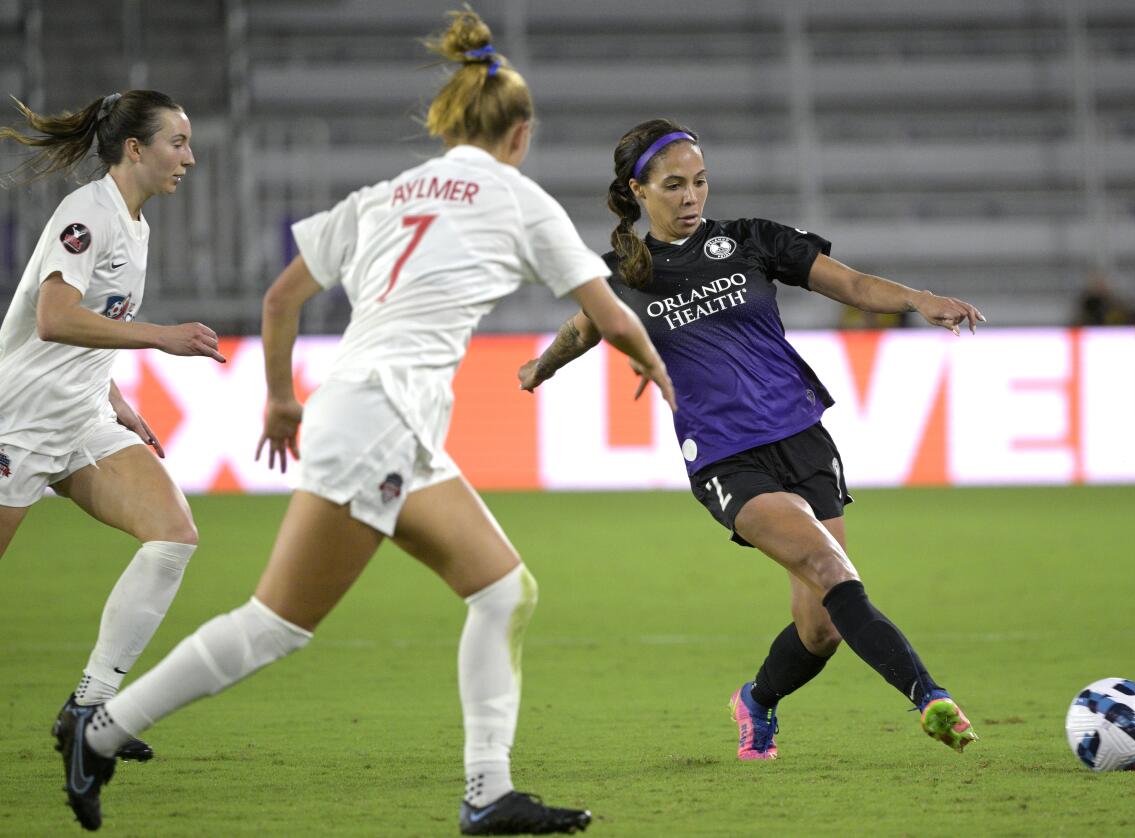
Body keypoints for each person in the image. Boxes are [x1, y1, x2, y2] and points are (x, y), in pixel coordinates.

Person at [55, 11, 674, 835]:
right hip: (381, 416)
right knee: (276, 624)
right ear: (520, 134)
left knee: (501, 590)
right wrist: (662, 373)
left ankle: (488, 792)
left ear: (450, 120)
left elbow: (281, 298)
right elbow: (613, 316)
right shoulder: (521, 202)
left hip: (382, 416)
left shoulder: (388, 194)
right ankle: (101, 731)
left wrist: (280, 397)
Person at [518, 118, 983, 762]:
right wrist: (540, 367)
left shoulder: (752, 241)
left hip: (803, 439)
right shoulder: (623, 275)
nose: (692, 197)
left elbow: (849, 285)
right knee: (831, 570)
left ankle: (757, 701)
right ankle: (929, 696)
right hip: (725, 457)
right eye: (674, 185)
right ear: (638, 191)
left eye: (701, 182)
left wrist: (921, 299)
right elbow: (581, 330)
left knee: (821, 627)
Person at [0, 91, 223, 767]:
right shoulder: (87, 215)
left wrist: (115, 397)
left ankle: (89, 707)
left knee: (174, 533)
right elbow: (54, 319)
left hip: (84, 418)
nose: (189, 155)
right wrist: (160, 338)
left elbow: (88, 332)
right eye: (177, 142)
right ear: (136, 149)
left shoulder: (135, 223)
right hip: (22, 421)